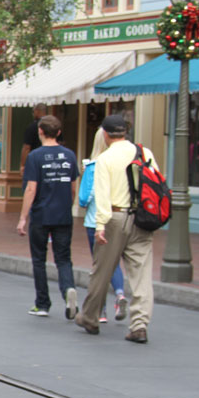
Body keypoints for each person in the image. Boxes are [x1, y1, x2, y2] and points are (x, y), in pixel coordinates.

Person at [76, 115, 157, 343]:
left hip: (115, 216)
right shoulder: (144, 153)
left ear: (105, 134)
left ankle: (91, 318)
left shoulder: (105, 159)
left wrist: (100, 225)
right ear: (125, 132)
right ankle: (139, 325)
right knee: (141, 274)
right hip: (142, 217)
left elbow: (102, 195)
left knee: (102, 270)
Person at [16, 115, 78, 319]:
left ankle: (42, 303)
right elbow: (72, 187)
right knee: (63, 259)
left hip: (41, 214)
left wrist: (23, 217)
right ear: (59, 132)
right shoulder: (69, 155)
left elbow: (31, 189)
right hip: (63, 214)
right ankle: (68, 288)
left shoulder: (35, 157)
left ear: (40, 131)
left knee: (39, 259)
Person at [78, 128, 128, 323]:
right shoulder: (122, 164)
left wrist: (85, 178)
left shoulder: (94, 166)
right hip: (118, 218)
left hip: (95, 221)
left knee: (100, 266)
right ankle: (120, 293)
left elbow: (83, 199)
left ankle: (100, 311)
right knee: (113, 261)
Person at [19, 103, 47, 171]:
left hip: (35, 161)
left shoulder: (32, 127)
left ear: (37, 111)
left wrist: (23, 165)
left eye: (33, 112)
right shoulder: (53, 126)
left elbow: (26, 147)